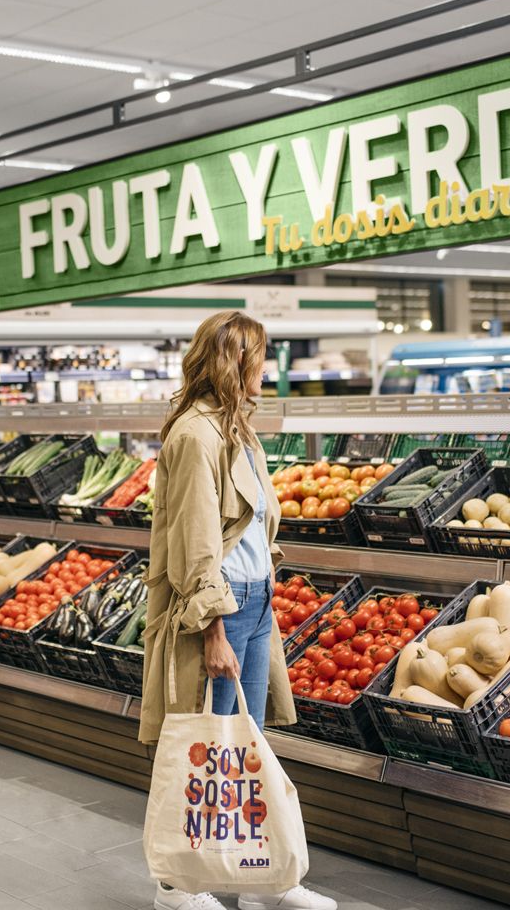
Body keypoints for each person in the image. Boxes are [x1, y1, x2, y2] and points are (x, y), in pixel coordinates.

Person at [139, 311, 336, 910]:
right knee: (204, 747)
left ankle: (260, 875)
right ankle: (178, 885)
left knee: (243, 744)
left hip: (255, 602)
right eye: (260, 358)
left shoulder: (237, 431)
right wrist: (215, 630)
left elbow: (251, 526)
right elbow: (199, 544)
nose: (267, 370)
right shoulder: (196, 436)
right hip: (218, 610)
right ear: (235, 362)